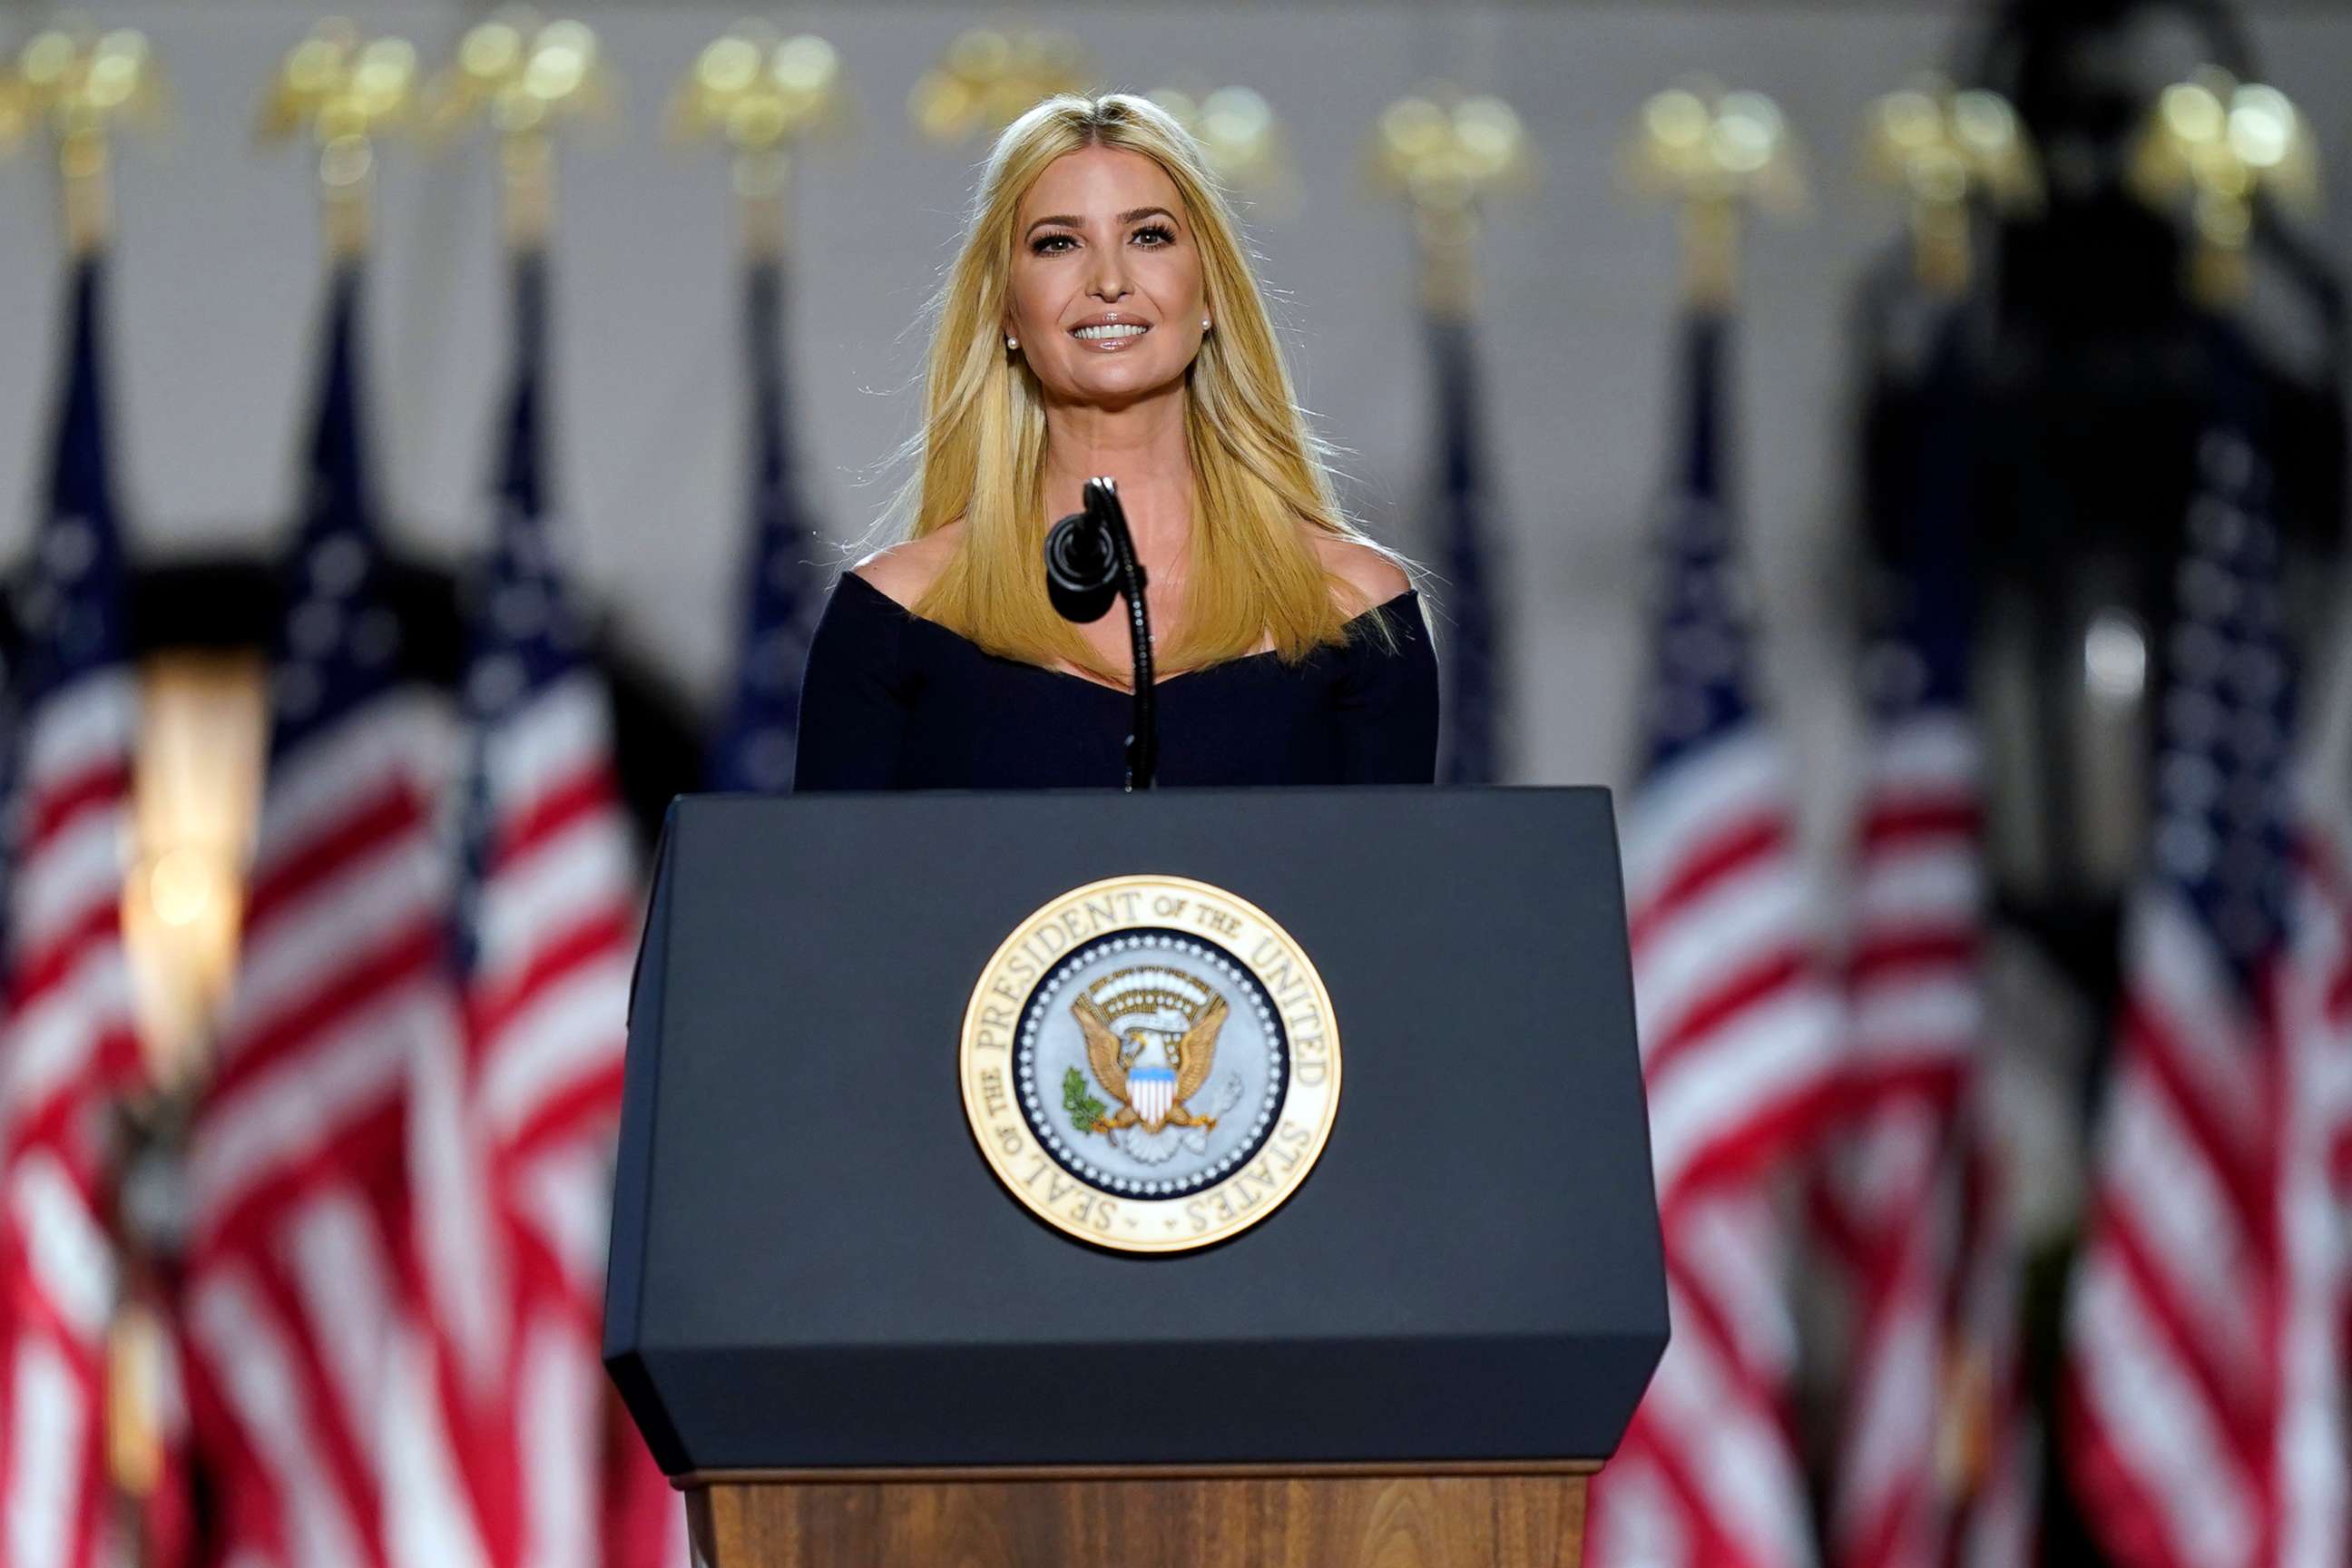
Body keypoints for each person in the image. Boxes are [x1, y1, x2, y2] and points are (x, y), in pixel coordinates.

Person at [793, 93, 1438, 790]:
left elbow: (1394, 895)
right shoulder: (894, 616)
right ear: (1006, 308)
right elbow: (826, 894)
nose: (1108, 282)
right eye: (1058, 243)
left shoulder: (1353, 608)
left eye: (1149, 236)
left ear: (1212, 291)